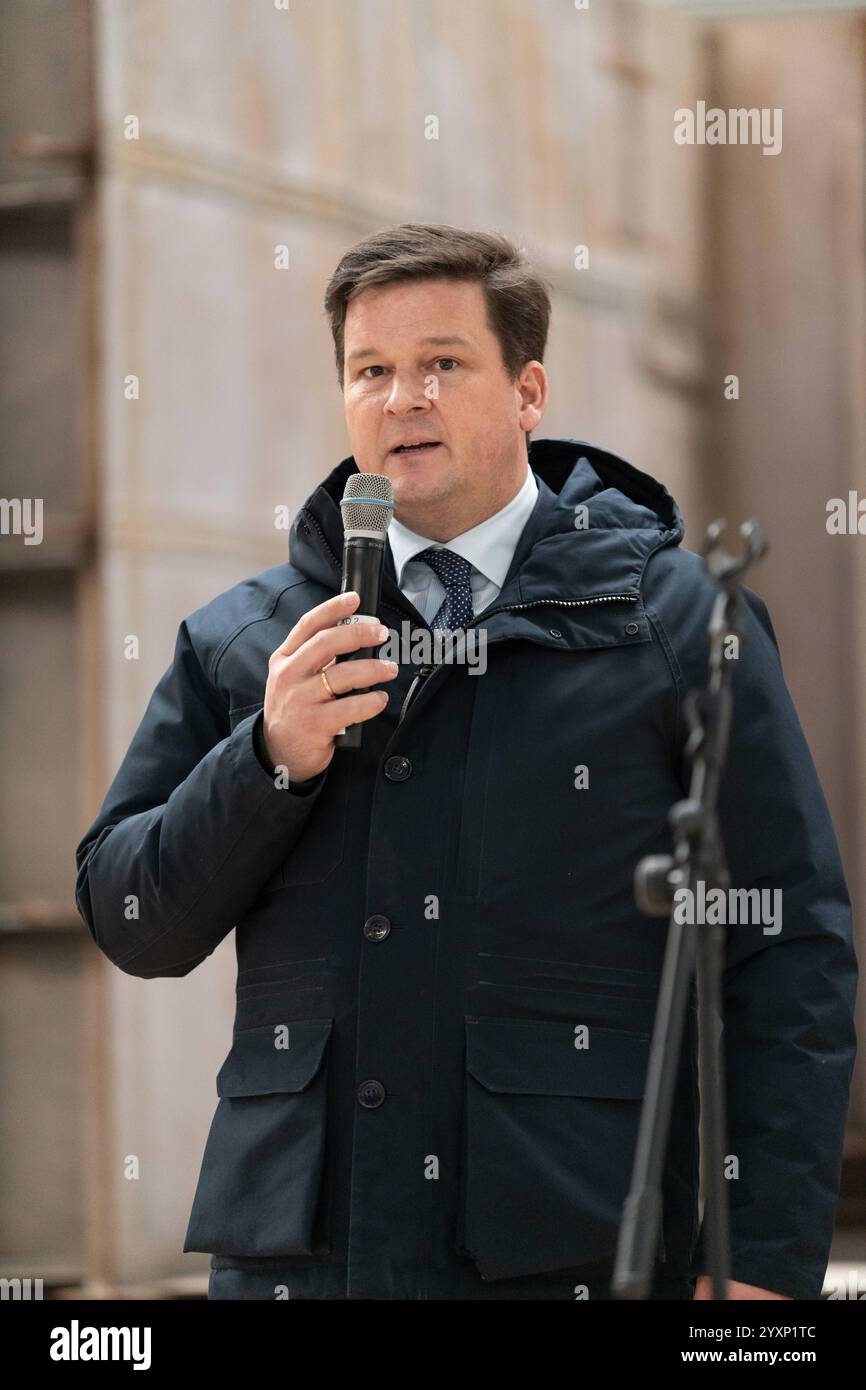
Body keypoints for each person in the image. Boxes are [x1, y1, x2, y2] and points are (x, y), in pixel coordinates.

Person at [75, 223, 858, 1301]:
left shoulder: (675, 624)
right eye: (371, 371)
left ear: (528, 391)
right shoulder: (249, 641)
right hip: (304, 1265)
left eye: (441, 364)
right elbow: (131, 918)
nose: (403, 399)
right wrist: (265, 760)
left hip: (569, 1255)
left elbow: (789, 951)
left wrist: (759, 1268)